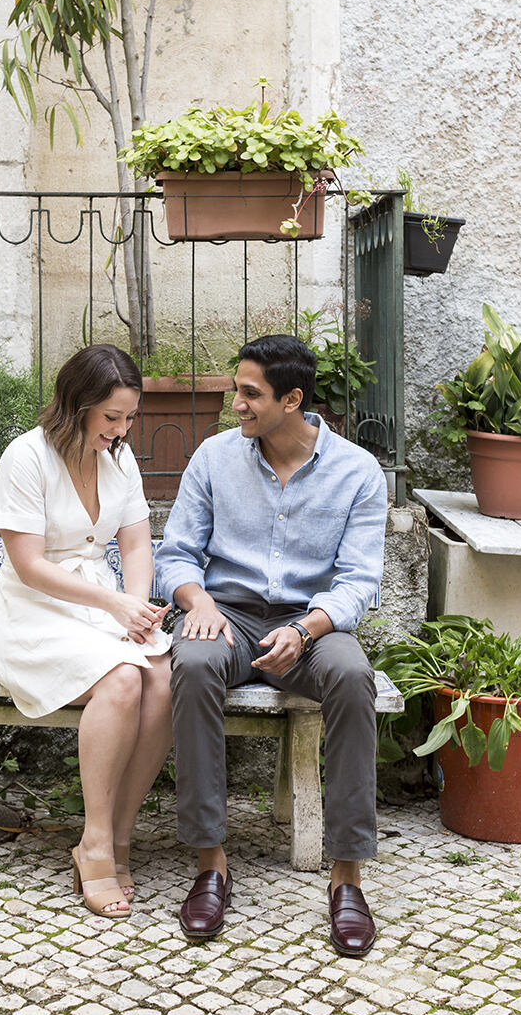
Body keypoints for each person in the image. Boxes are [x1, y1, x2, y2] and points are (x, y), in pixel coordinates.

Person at [155, 333, 387, 951]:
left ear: (292, 399)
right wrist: (196, 601)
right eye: (236, 389)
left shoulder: (357, 472)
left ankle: (346, 878)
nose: (237, 403)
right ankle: (210, 864)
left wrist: (306, 627)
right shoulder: (213, 458)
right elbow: (175, 553)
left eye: (250, 393)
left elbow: (360, 579)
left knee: (351, 676)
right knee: (194, 661)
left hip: (312, 624)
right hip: (225, 613)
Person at [0, 344, 173, 920]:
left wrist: (136, 610)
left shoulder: (119, 458)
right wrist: (114, 604)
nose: (121, 430)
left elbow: (137, 541)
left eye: (130, 417)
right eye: (111, 417)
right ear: (77, 406)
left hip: (103, 609)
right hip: (35, 613)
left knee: (163, 680)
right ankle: (93, 846)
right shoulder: (27, 456)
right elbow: (29, 566)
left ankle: (120, 835)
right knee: (122, 681)